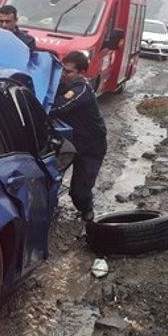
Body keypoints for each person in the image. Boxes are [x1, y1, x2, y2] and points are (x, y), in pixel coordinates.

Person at [50, 51, 107, 223]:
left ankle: (88, 214)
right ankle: (50, 206)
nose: (63, 75)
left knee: (79, 192)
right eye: (62, 70)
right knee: (50, 177)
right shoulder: (61, 83)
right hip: (68, 142)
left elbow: (58, 107)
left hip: (91, 147)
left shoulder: (82, 90)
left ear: (81, 73)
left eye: (68, 72)